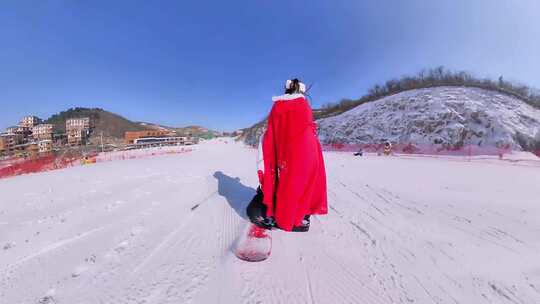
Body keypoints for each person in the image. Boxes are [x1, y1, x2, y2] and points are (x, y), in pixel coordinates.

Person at [247, 79, 328, 232]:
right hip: (308, 153)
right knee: (302, 185)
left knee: (280, 183)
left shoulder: (279, 106)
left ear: (286, 90)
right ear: (303, 92)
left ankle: (282, 217)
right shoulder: (304, 106)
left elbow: (273, 134)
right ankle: (300, 217)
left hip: (287, 155)